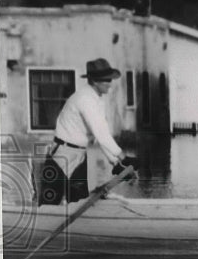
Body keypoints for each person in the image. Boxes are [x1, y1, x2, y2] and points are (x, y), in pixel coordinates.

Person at [38, 58, 136, 205]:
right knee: (49, 200)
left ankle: (80, 226)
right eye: (107, 80)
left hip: (79, 154)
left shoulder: (95, 99)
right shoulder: (85, 99)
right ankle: (44, 225)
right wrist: (124, 158)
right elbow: (101, 135)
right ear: (95, 81)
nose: (110, 84)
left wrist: (115, 162)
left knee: (78, 200)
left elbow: (100, 133)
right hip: (63, 154)